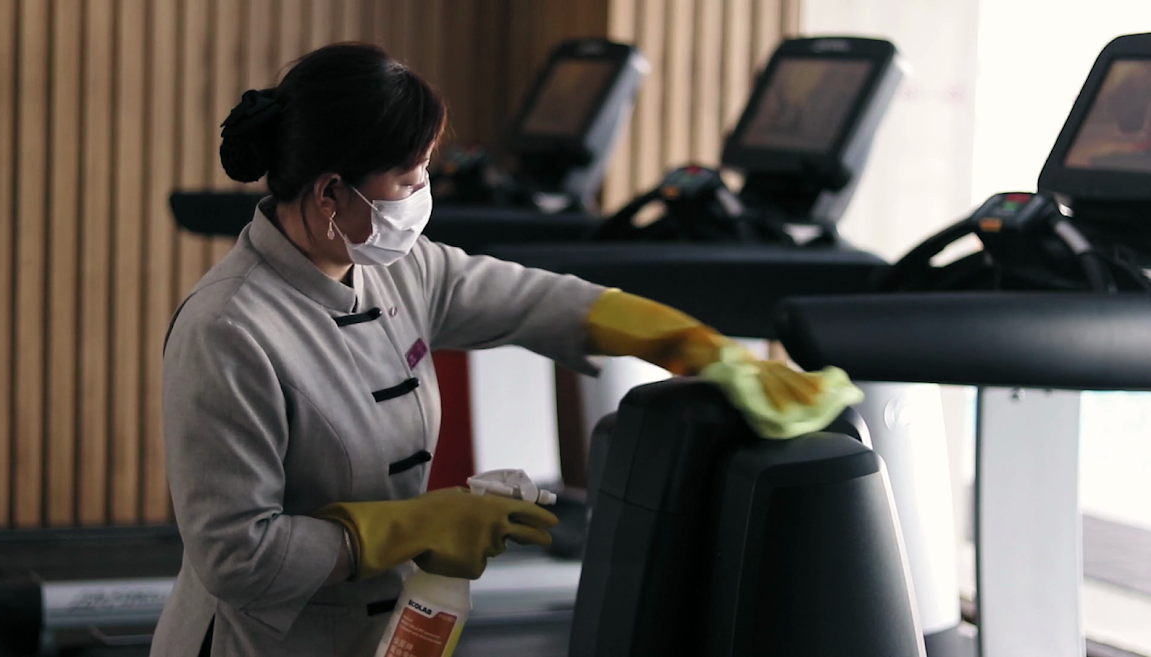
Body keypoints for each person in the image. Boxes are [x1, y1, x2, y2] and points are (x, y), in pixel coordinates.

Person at [151, 43, 828, 657]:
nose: (421, 198)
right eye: (409, 181)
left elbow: (534, 300)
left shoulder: (398, 267)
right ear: (331, 192)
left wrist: (694, 345)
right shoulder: (229, 328)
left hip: (373, 629)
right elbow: (235, 556)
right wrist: (418, 524)